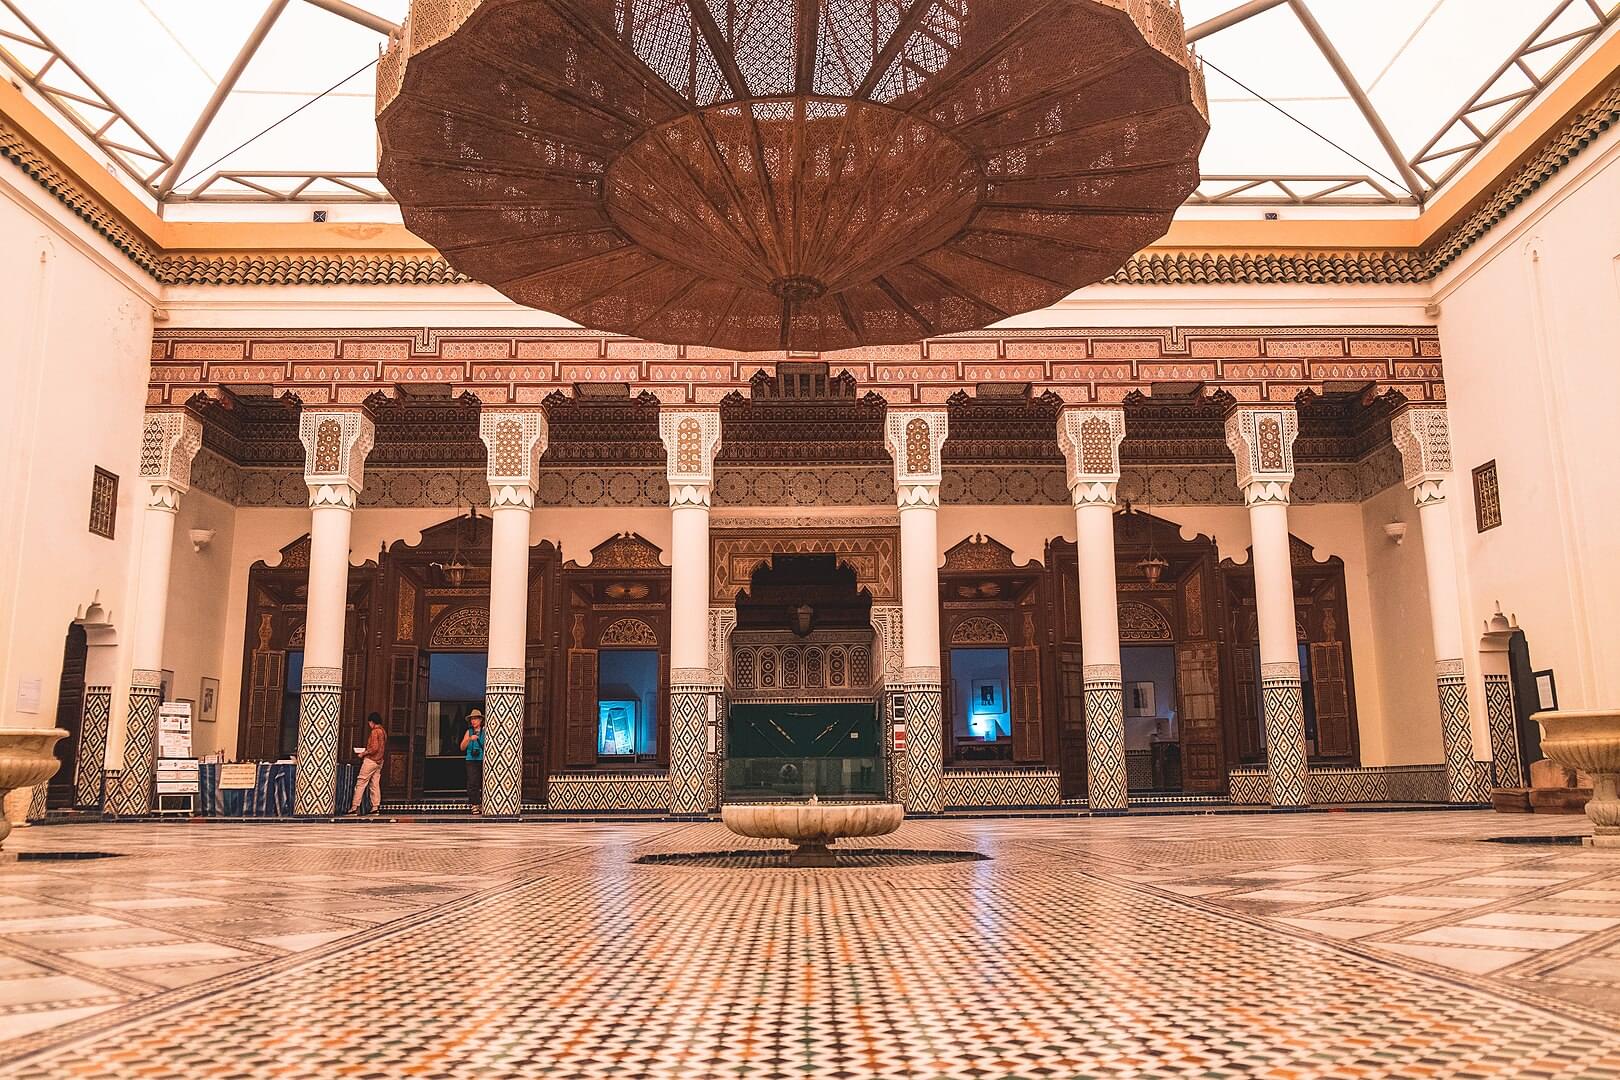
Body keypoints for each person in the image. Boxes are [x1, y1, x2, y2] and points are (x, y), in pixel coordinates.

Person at [347, 713, 387, 816]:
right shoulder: (383, 731)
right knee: (374, 784)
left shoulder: (375, 732)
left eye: (369, 722)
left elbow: (374, 748)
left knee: (361, 782)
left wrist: (363, 753)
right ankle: (375, 807)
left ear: (372, 722)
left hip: (371, 760)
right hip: (379, 761)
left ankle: (355, 807)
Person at [460, 707, 485, 814]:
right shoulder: (468, 732)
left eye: (475, 719)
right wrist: (469, 739)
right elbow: (462, 747)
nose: (473, 721)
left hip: (482, 759)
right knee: (472, 782)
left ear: (480, 720)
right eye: (472, 719)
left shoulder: (485, 731)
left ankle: (484, 803)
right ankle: (475, 804)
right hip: (471, 760)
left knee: (484, 781)